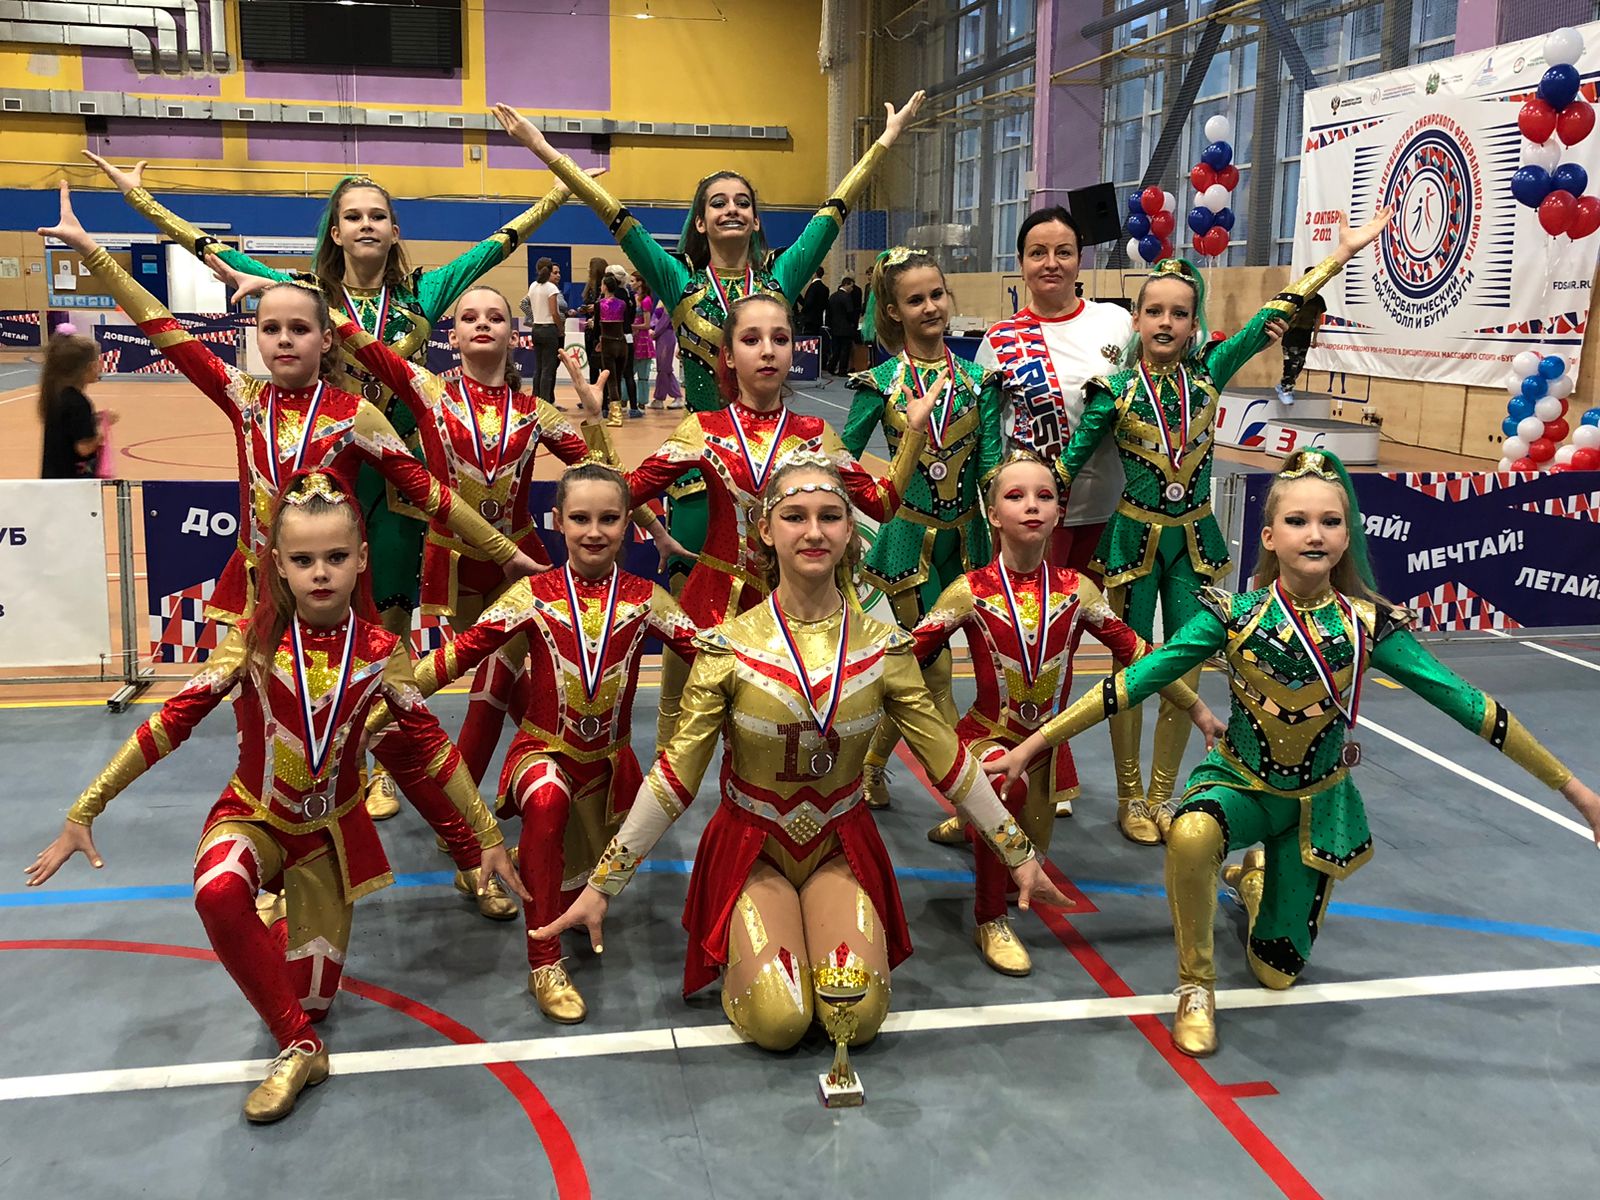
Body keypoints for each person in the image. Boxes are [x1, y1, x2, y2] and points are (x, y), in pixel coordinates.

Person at [988, 448, 1600, 1057]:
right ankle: (1195, 987)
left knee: (1275, 972)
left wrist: (1578, 794)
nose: (1315, 534)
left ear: (1347, 536)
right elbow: (1131, 683)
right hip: (1238, 786)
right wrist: (1034, 746)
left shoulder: (1368, 627)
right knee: (1192, 834)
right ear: (1270, 536)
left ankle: (1256, 884)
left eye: (1331, 522)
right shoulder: (1233, 616)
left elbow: (1472, 707)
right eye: (1298, 521)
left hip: (1315, 806)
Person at [25, 470, 528, 1123]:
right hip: (254, 818)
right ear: (279, 565)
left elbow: (432, 747)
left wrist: (487, 836)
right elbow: (170, 722)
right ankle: (300, 1048)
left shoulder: (382, 652)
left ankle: (284, 938)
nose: (320, 572)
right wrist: (85, 809)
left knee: (308, 995)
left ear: (362, 559)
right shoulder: (251, 640)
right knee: (218, 892)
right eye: (303, 559)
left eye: (336, 557)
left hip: (329, 840)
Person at [531, 451, 1072, 1052]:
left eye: (830, 517)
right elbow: (675, 778)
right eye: (795, 517)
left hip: (840, 844)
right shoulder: (728, 648)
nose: (813, 532)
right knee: (779, 1021)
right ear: (765, 529)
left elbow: (949, 763)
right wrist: (603, 885)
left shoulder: (886, 648)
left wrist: (1018, 853)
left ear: (850, 530)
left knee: (855, 1017)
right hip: (752, 848)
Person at [85, 153, 573, 650]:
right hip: (329, 466)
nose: (367, 224)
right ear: (336, 233)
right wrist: (138, 200)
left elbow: (497, 245)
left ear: (395, 231)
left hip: (402, 479)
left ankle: (382, 689)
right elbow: (210, 247)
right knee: (316, 600)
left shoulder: (422, 293)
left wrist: (560, 191)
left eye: (377, 216)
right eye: (354, 216)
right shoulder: (309, 294)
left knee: (390, 610)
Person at [491, 94, 924, 642]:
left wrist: (884, 142)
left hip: (783, 469)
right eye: (718, 203)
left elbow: (832, 215)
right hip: (701, 471)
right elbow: (616, 217)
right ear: (701, 220)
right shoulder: (680, 284)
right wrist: (544, 149)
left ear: (757, 219)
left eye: (743, 202)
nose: (731, 209)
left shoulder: (780, 280)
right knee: (698, 628)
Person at [1050, 209, 1390, 846]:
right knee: (1133, 669)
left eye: (1180, 313)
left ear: (1193, 323)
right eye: (1155, 312)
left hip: (1193, 542)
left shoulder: (1209, 374)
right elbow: (1065, 469)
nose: (1166, 323)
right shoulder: (1111, 390)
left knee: (1185, 671)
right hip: (1133, 541)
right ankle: (1128, 796)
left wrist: (1340, 256)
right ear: (1136, 319)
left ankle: (1163, 795)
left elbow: (1272, 315)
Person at [367, 463, 701, 1022]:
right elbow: (453, 658)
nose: (594, 532)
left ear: (629, 524)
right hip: (542, 754)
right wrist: (372, 713)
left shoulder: (649, 600)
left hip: (608, 773)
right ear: (557, 521)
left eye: (609, 519)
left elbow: (715, 661)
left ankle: (534, 863)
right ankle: (543, 962)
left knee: (571, 889)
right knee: (547, 799)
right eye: (580, 518)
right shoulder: (530, 595)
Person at [573, 293, 933, 752]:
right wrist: (594, 423)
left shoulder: (816, 435)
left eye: (780, 339)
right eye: (751, 339)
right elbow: (621, 494)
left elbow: (880, 505)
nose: (767, 351)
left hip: (794, 612)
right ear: (727, 355)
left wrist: (914, 434)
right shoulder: (702, 429)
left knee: (775, 743)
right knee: (678, 738)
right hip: (709, 608)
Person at [912, 451, 1220, 974]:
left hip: (1047, 748)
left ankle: (971, 823)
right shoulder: (969, 591)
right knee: (1001, 792)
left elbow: (1141, 657)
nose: (1032, 505)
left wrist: (1197, 708)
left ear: (1060, 512)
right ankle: (989, 919)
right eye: (1016, 496)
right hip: (987, 736)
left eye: (1045, 496)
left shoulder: (1079, 591)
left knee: (1026, 852)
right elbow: (907, 655)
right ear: (993, 515)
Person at [978, 207, 1132, 819]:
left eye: (1063, 251)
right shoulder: (1000, 339)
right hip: (1034, 520)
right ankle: (1023, 760)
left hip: (1106, 508)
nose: (1051, 263)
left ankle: (1065, 766)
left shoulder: (1116, 323)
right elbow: (989, 432)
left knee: (1085, 644)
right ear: (1020, 263)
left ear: (1080, 259)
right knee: (1030, 646)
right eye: (1037, 252)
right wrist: (995, 497)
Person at [840, 248, 1003, 810]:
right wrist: (845, 512)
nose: (931, 307)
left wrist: (1017, 505)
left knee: (915, 666)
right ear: (893, 310)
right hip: (908, 546)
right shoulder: (880, 383)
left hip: (969, 544)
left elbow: (990, 466)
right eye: (916, 300)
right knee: (936, 673)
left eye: (937, 295)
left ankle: (871, 763)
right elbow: (841, 455)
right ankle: (970, 798)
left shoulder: (981, 381)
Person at [37, 324, 114, 479]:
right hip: (73, 482)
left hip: (53, 477)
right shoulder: (78, 403)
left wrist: (94, 419)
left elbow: (69, 427)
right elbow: (84, 448)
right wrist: (102, 430)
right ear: (90, 367)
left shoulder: (57, 395)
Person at [523, 257, 565, 407]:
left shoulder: (533, 286)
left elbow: (526, 305)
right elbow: (554, 312)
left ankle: (535, 400)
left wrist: (534, 318)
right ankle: (545, 403)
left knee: (539, 367)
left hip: (536, 329)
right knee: (548, 368)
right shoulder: (551, 288)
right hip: (549, 329)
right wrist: (560, 328)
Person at [1276, 291, 1327, 405]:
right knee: (1292, 363)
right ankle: (1286, 389)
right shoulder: (1296, 297)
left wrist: (1315, 338)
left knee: (1300, 363)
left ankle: (1284, 384)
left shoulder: (1318, 300)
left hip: (1305, 334)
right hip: (1292, 334)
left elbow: (1317, 319)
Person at [652, 293, 683, 409]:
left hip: (666, 337)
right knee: (663, 368)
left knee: (664, 368)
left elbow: (664, 322)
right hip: (661, 336)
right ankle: (663, 398)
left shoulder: (669, 302)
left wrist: (654, 332)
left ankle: (664, 398)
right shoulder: (661, 300)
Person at [826, 276, 861, 376]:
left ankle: (831, 366)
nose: (852, 289)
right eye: (851, 286)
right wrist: (853, 323)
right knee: (845, 350)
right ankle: (842, 370)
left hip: (834, 327)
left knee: (836, 349)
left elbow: (828, 312)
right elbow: (850, 312)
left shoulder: (833, 296)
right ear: (846, 284)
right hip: (846, 327)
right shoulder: (846, 297)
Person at [799, 267, 828, 336]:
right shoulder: (825, 288)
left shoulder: (813, 287)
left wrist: (803, 311)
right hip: (819, 319)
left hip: (809, 320)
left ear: (815, 274)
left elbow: (808, 303)